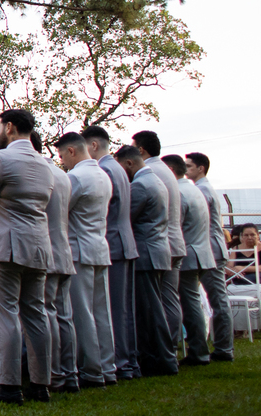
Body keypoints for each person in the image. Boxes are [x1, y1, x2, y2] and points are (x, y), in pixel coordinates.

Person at [0, 109, 54, 405]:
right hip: (38, 245)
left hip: (3, 246)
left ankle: (9, 385)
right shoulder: (46, 165)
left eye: (0, 126)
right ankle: (40, 385)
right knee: (36, 315)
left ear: (10, 127)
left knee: (5, 316)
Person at [57, 132, 115, 390]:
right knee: (102, 312)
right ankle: (107, 367)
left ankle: (91, 370)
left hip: (79, 248)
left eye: (62, 156)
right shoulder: (103, 175)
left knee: (82, 313)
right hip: (100, 247)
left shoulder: (76, 177)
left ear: (71, 151)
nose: (62, 161)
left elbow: (61, 210)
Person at [115, 145, 177, 376]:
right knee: (153, 308)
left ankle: (162, 360)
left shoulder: (140, 185)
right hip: (157, 250)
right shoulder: (156, 181)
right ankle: (160, 358)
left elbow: (125, 217)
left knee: (150, 311)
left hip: (146, 253)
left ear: (129, 163)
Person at [84, 125, 137, 381]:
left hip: (112, 242)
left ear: (93, 145)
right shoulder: (118, 168)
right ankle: (129, 361)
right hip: (124, 241)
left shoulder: (104, 169)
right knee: (124, 309)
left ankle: (121, 363)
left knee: (113, 310)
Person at [133, 131, 184, 353]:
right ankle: (170, 347)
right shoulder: (166, 170)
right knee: (170, 299)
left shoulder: (150, 172)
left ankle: (165, 349)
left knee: (158, 301)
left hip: (160, 242)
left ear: (141, 150)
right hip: (173, 240)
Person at [161, 154, 213, 365]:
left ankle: (198, 351)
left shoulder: (180, 192)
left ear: (171, 171)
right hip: (200, 251)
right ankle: (198, 349)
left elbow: (175, 225)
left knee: (188, 305)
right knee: (192, 304)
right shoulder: (193, 189)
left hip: (188, 254)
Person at [183, 151, 234, 361]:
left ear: (201, 168)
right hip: (211, 247)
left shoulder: (202, 190)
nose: (185, 170)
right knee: (216, 299)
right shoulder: (204, 188)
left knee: (217, 300)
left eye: (189, 166)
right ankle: (220, 347)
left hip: (210, 249)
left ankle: (223, 348)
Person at [42, 136, 77, 394]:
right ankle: (70, 373)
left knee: (46, 312)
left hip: (47, 253)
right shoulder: (64, 175)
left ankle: (53, 374)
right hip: (65, 250)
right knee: (65, 316)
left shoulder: (40, 174)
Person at [227, 223, 261, 339]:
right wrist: (234, 271)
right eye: (246, 235)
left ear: (258, 235)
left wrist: (244, 268)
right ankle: (240, 329)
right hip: (239, 284)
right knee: (227, 291)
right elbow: (229, 268)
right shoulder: (235, 249)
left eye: (252, 235)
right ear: (241, 237)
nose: (249, 237)